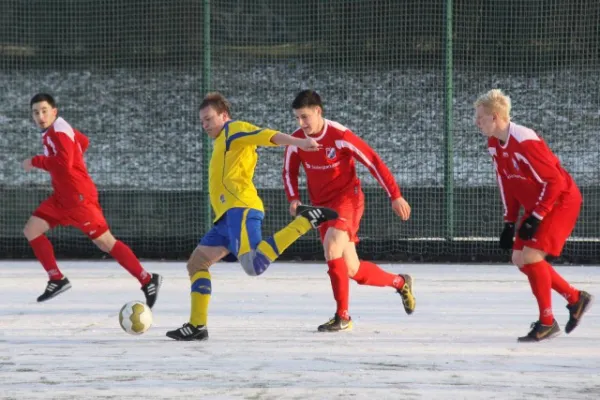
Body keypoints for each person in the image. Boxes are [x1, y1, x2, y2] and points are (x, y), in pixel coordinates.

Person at [166, 92, 338, 341]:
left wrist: (298, 143)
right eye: (202, 121)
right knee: (196, 263)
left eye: (209, 119)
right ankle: (197, 325)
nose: (205, 125)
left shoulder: (234, 130)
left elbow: (265, 135)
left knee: (253, 266)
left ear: (224, 116)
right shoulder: (220, 141)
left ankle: (305, 221)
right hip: (226, 218)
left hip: (241, 209)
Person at [282, 90, 415, 332]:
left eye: (304, 117)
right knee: (352, 269)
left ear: (318, 112)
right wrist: (293, 199)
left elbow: (373, 161)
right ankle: (400, 282)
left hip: (347, 200)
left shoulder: (340, 135)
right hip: (321, 207)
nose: (301, 124)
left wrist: (395, 195)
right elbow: (289, 172)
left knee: (332, 246)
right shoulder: (297, 140)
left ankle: (343, 316)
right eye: (297, 119)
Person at [474, 89, 594, 342]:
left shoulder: (525, 140)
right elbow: (506, 183)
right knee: (519, 258)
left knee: (531, 256)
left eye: (481, 117)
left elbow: (555, 182)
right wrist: (509, 221)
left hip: (560, 201)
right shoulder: (494, 144)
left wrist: (536, 216)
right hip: (537, 204)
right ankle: (575, 298)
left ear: (495, 117)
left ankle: (547, 321)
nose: (477, 122)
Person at [23, 93, 162, 307]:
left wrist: (35, 161)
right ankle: (56, 278)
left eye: (44, 111)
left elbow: (63, 163)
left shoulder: (58, 132)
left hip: (79, 198)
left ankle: (147, 279)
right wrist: (74, 161)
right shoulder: (57, 130)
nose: (40, 116)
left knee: (105, 242)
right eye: (35, 112)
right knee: (32, 229)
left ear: (54, 112)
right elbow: (83, 142)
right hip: (62, 197)